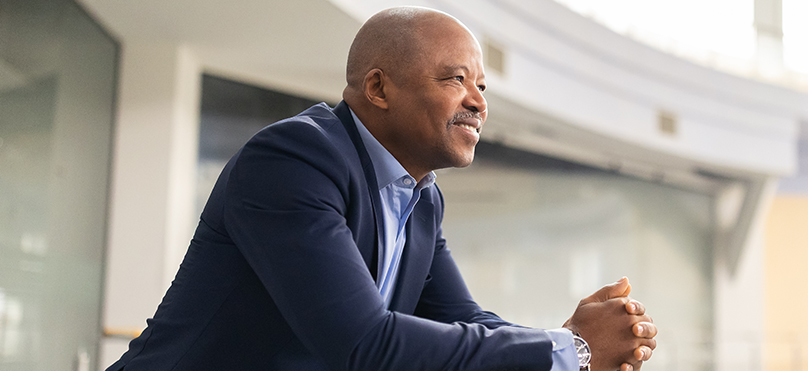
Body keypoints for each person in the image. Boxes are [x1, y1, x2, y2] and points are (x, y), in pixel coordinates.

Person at [106, 6, 656, 371]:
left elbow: (465, 321)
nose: (479, 101)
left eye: (482, 85)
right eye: (455, 79)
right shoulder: (293, 161)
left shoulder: (420, 197)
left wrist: (570, 342)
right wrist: (569, 350)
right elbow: (363, 344)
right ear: (378, 87)